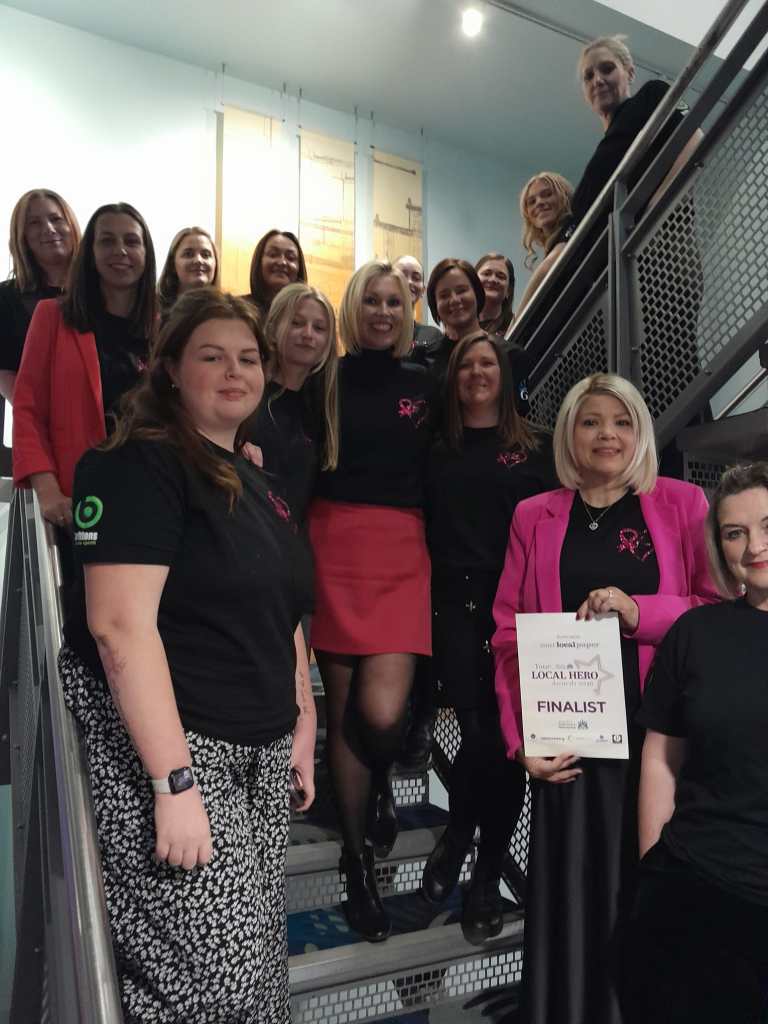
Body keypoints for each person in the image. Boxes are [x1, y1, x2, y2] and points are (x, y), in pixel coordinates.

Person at [59, 287, 316, 1022]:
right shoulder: (135, 464)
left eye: (248, 358)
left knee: (259, 977)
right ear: (170, 368)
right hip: (182, 754)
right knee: (209, 982)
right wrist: (173, 783)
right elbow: (118, 627)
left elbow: (284, 610)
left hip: (261, 750)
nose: (234, 371)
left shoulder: (257, 479)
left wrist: (303, 723)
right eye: (212, 356)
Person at [492, 372, 718, 1024]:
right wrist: (521, 741)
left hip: (658, 741)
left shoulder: (682, 503)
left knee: (649, 892)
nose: (607, 435)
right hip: (568, 743)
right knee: (570, 899)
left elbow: (713, 611)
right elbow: (507, 634)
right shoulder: (533, 516)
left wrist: (638, 611)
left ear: (640, 431)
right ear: (569, 434)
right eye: (591, 421)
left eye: (621, 421)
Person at [308, 260, 433, 942]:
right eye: (371, 301)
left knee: (382, 714)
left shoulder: (426, 382)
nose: (383, 312)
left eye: (393, 302)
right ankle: (357, 863)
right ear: (353, 308)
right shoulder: (325, 378)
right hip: (334, 545)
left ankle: (380, 774)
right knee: (345, 709)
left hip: (403, 551)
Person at [422, 331, 557, 945]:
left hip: (523, 612)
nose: (477, 372)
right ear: (453, 379)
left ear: (504, 374)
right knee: (480, 736)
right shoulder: (436, 449)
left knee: (507, 745)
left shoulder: (539, 448)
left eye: (488, 363)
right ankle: (460, 837)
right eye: (465, 365)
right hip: (455, 608)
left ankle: (481, 871)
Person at [626, 463, 768, 1023]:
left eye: (767, 526)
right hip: (694, 891)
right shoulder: (696, 633)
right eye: (735, 533)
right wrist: (651, 869)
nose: (754, 546)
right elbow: (661, 759)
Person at [517, 35, 701, 315]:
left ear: (630, 71)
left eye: (607, 69)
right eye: (588, 76)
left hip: (663, 253)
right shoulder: (597, 171)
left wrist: (656, 210)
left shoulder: (650, 96)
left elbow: (693, 138)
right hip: (619, 283)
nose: (598, 80)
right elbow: (556, 259)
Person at [13, 202, 156, 529]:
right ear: (89, 253)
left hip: (153, 493)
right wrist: (47, 489)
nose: (120, 250)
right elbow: (28, 410)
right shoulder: (52, 316)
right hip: (78, 497)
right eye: (107, 241)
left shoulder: (166, 326)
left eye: (131, 241)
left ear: (147, 254)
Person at [251, 282, 339, 527]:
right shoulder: (248, 396)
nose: (308, 334)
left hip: (292, 542)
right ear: (273, 328)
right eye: (297, 323)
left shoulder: (323, 408)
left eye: (319, 328)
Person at [416, 258, 529, 416]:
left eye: (462, 290)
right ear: (435, 305)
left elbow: (519, 419)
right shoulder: (422, 359)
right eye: (444, 295)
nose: (454, 300)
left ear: (477, 294)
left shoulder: (510, 356)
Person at [0, 189, 80, 402]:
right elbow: (5, 373)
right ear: (22, 236)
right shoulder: (6, 298)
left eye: (56, 219)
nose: (49, 229)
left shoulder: (101, 288)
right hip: (42, 418)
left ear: (71, 225)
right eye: (34, 223)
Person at [245, 229, 307, 320]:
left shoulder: (307, 312)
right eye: (273, 254)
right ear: (259, 261)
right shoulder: (239, 310)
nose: (282, 262)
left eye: (290, 258)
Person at [157, 226, 219, 316]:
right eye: (188, 254)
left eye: (205, 255)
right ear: (172, 264)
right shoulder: (153, 311)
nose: (198, 260)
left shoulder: (226, 313)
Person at [519, 172, 574, 271]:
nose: (539, 202)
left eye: (547, 195)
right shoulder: (549, 251)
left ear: (565, 197)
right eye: (532, 202)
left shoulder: (575, 228)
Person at [393, 254, 442, 347]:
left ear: (423, 290)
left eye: (416, 278)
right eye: (401, 276)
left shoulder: (433, 337)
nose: (409, 282)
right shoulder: (377, 332)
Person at [475, 252, 516, 337]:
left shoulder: (515, 326)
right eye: (487, 274)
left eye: (500, 277)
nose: (493, 280)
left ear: (509, 290)